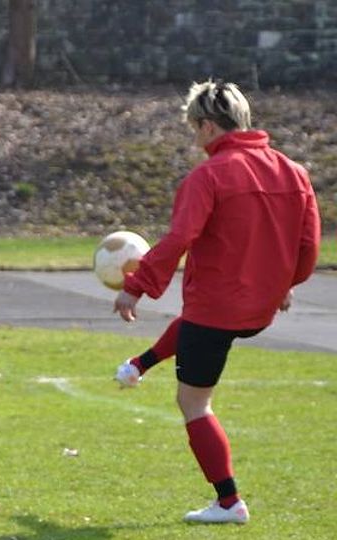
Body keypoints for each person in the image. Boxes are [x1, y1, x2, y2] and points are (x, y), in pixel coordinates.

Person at [112, 80, 320, 524]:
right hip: (258, 309)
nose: (195, 137)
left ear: (208, 126)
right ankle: (138, 365)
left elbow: (180, 238)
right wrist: (286, 283)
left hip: (219, 308)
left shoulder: (208, 176)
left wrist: (137, 285)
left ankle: (229, 502)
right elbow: (308, 245)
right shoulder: (293, 171)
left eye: (194, 128)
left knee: (193, 403)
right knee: (196, 324)